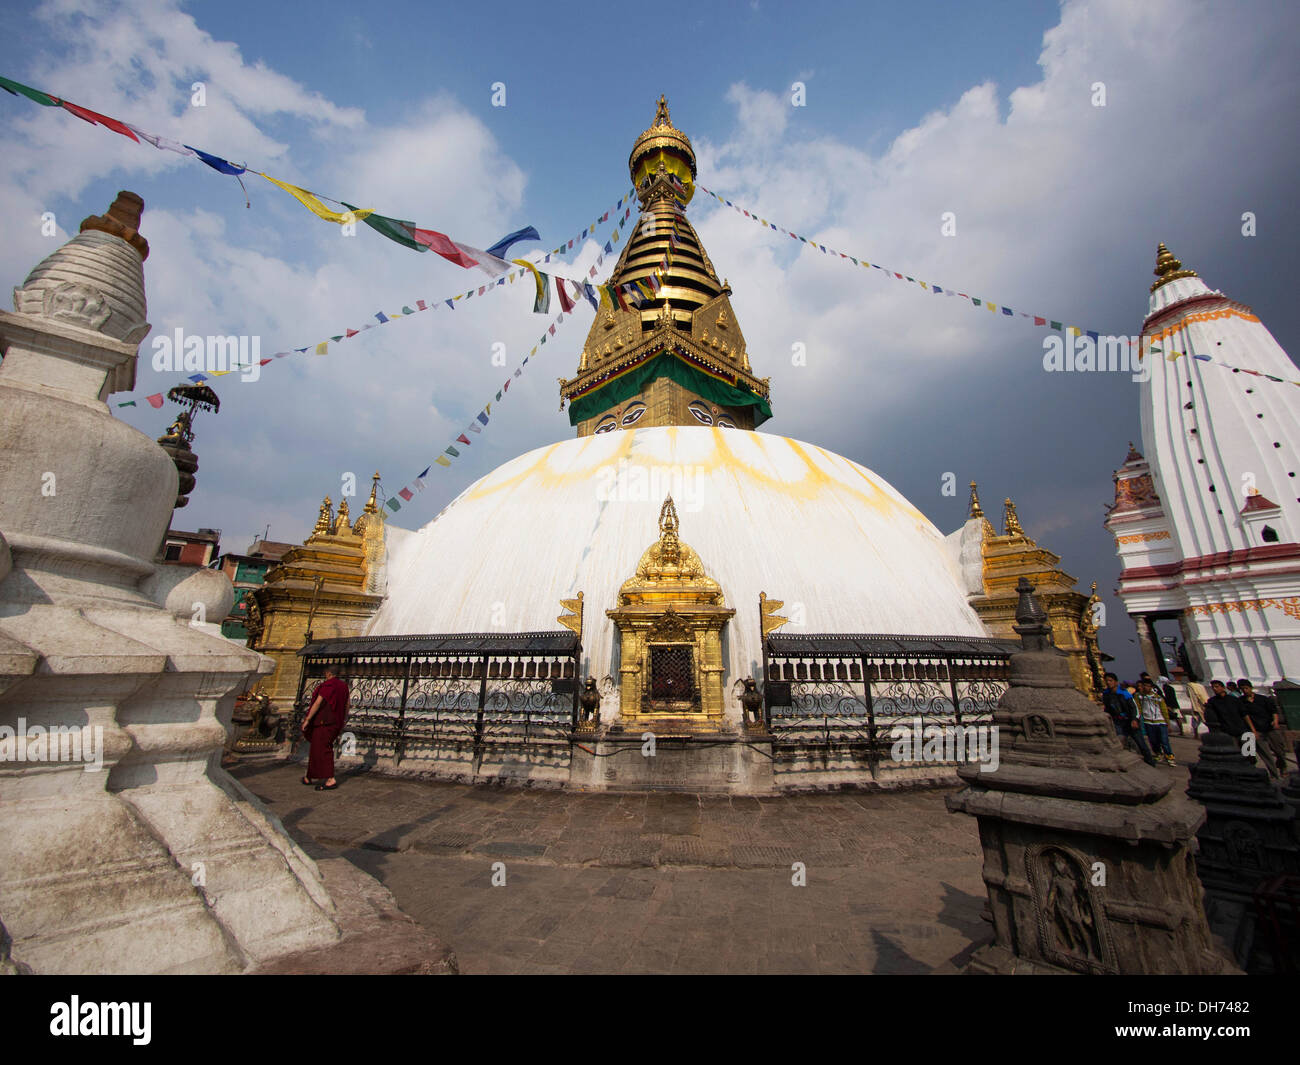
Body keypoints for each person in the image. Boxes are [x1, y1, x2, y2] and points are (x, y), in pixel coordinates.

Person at [302, 665, 349, 790]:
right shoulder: (344, 686)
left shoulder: (328, 685)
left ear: (328, 674)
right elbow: (347, 705)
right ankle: (309, 776)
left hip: (325, 722)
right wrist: (344, 719)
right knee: (316, 749)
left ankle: (330, 779)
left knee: (323, 749)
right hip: (335, 722)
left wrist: (307, 720)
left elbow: (318, 703)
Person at [1102, 672, 1156, 766]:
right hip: (1117, 721)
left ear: (1115, 682)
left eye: (1110, 680)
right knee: (1119, 741)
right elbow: (1107, 708)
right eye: (1106, 681)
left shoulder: (1124, 693)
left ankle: (1150, 762)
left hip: (1129, 719)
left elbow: (1133, 707)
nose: (1108, 683)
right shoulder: (1106, 694)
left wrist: (1134, 719)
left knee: (1140, 742)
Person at [1238, 679, 1288, 779]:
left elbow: (1273, 710)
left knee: (1279, 751)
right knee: (1265, 754)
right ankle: (1274, 774)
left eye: (1246, 688)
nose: (1245, 691)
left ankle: (1283, 767)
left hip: (1269, 728)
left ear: (1251, 688)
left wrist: (1275, 721)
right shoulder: (1241, 702)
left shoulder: (1263, 699)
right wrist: (1253, 731)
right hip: (1257, 730)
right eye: (1242, 689)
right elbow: (1245, 716)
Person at [1136, 679, 1175, 765]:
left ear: (1151, 687)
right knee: (1153, 740)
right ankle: (1158, 753)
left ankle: (1169, 756)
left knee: (1164, 741)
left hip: (1160, 721)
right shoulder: (1140, 697)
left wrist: (1168, 723)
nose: (1145, 687)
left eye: (1147, 686)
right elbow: (1138, 708)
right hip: (1148, 721)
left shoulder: (1158, 698)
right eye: (1144, 686)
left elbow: (1164, 710)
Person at [1204, 680, 1249, 747]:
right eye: (1213, 687)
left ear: (1223, 688)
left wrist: (1252, 729)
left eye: (1216, 687)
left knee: (1249, 753)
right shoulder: (1212, 701)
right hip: (1227, 731)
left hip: (1241, 729)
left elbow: (1244, 715)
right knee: (1233, 752)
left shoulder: (1234, 700)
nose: (1214, 689)